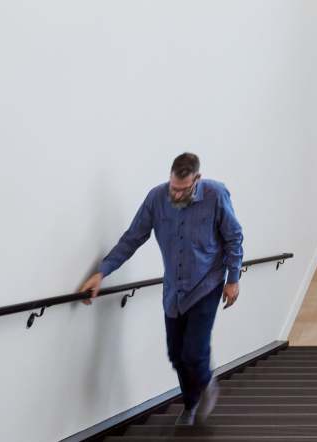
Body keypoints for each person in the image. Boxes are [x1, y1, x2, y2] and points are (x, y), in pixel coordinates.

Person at [78, 153, 244, 426]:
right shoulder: (156, 198)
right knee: (176, 354)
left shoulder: (215, 194)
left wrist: (233, 278)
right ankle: (191, 404)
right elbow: (132, 238)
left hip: (207, 284)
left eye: (183, 189)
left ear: (197, 180)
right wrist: (101, 272)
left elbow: (234, 236)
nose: (176, 194)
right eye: (173, 188)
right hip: (173, 291)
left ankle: (205, 385)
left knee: (193, 352)